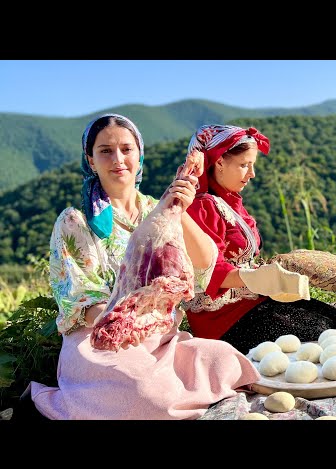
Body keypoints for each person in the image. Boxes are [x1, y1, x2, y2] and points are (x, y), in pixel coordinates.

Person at [23, 113, 260, 420]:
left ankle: (167, 389)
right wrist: (127, 323)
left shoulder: (154, 207)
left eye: (126, 149)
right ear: (91, 161)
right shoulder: (75, 221)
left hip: (159, 338)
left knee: (227, 359)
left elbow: (204, 263)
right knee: (146, 394)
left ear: (140, 156)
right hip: (99, 342)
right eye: (105, 151)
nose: (118, 159)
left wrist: (179, 209)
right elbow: (83, 302)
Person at [182, 124, 336, 354]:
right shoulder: (201, 208)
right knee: (320, 331)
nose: (252, 174)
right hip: (222, 320)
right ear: (219, 162)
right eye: (244, 165)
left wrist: (272, 278)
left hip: (249, 302)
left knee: (332, 318)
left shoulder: (230, 201)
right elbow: (209, 270)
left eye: (252, 165)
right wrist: (256, 278)